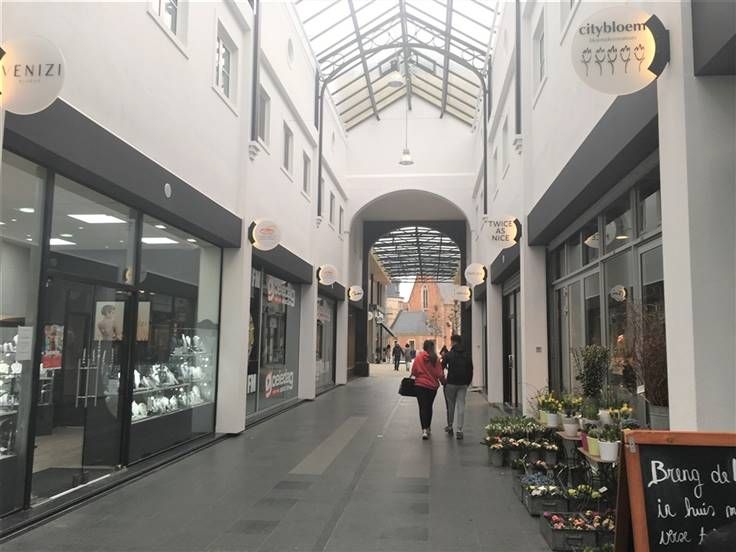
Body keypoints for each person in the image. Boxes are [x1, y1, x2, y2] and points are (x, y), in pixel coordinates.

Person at [411, 340, 446, 440]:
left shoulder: (418, 357)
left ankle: (424, 430)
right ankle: (428, 427)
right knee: (429, 406)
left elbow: (414, 371)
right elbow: (439, 374)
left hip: (420, 385)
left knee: (422, 407)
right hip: (432, 387)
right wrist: (444, 382)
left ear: (424, 347)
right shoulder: (435, 359)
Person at [441, 334, 473, 440]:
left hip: (451, 383)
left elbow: (441, 367)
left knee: (451, 406)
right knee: (461, 405)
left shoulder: (448, 355)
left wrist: (443, 380)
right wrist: (467, 382)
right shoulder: (467, 354)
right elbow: (470, 369)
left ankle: (450, 426)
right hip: (463, 384)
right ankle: (459, 430)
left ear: (453, 341)